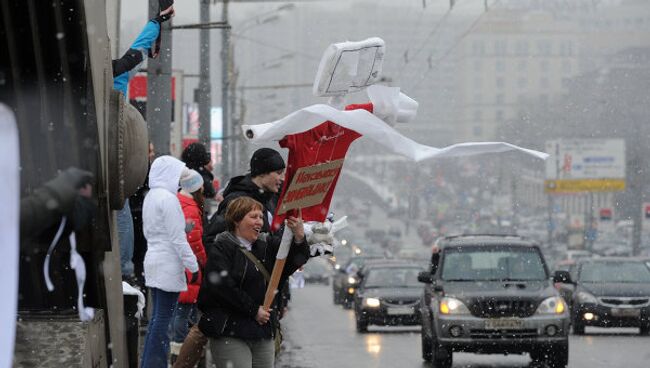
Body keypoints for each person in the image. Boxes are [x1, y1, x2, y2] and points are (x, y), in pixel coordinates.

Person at [174, 148, 286, 368]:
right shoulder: (238, 199)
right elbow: (213, 239)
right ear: (263, 172)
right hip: (232, 300)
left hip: (256, 296)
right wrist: (232, 268)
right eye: (278, 172)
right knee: (207, 331)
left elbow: (272, 251)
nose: (282, 178)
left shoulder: (270, 200)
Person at [197, 196, 309, 368]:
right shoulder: (222, 247)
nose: (259, 222)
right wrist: (253, 310)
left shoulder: (267, 245)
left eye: (261, 217)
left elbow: (294, 262)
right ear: (236, 220)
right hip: (229, 330)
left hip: (261, 331)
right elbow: (222, 287)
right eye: (253, 217)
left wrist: (299, 236)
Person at [141, 156, 199, 368]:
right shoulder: (169, 198)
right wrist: (193, 266)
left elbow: (156, 230)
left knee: (157, 319)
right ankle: (155, 364)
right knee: (163, 320)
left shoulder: (152, 197)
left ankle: (149, 362)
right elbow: (177, 240)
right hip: (168, 264)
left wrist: (182, 227)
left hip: (154, 260)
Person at [170, 170, 207, 363]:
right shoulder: (191, 207)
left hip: (177, 263)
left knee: (180, 309)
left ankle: (179, 348)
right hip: (189, 266)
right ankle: (180, 348)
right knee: (184, 310)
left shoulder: (177, 201)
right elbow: (193, 239)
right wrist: (203, 259)